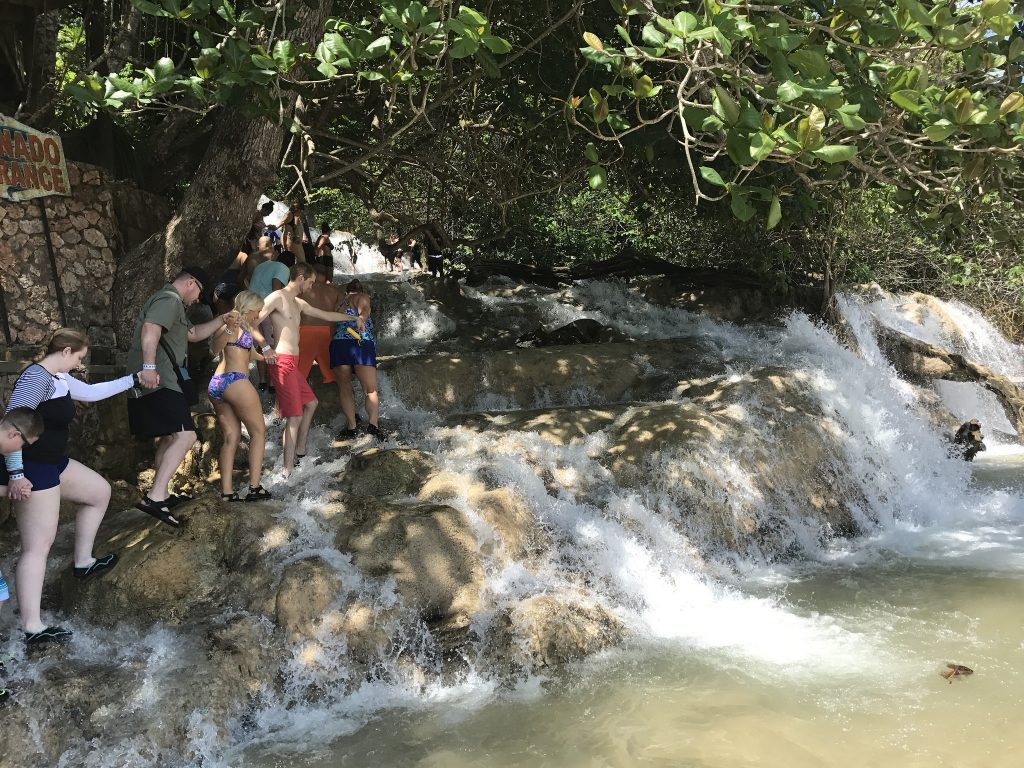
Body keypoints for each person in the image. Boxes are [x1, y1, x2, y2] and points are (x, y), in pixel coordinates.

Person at [3, 330, 146, 645]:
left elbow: (93, 392)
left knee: (98, 492)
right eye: (79, 357)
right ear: (66, 351)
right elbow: (11, 425)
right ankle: (31, 626)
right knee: (38, 546)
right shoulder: (35, 379)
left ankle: (83, 562)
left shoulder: (59, 378)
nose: (80, 364)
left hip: (53, 462)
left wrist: (134, 380)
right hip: (31, 469)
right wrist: (15, 474)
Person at [128, 267, 245, 526]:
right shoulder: (169, 299)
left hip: (162, 379)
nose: (198, 300)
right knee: (186, 435)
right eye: (200, 293)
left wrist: (224, 319)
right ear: (191, 283)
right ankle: (155, 497)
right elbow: (151, 328)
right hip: (160, 379)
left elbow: (193, 335)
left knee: (172, 435)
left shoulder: (175, 305)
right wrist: (149, 367)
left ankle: (162, 492)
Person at [256, 263, 352, 474]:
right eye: (310, 282)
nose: (311, 286)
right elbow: (251, 321)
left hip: (292, 362)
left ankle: (300, 451)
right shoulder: (276, 297)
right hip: (281, 360)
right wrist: (264, 347)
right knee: (295, 415)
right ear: (301, 278)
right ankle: (287, 470)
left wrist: (354, 318)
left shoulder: (297, 303)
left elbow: (326, 315)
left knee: (311, 403)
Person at [208, 291, 272, 502]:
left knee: (231, 437)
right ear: (250, 308)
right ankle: (254, 487)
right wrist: (228, 327)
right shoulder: (232, 324)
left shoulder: (243, 328)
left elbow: (248, 354)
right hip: (235, 381)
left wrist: (270, 357)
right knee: (258, 433)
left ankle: (227, 492)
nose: (259, 314)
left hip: (218, 384)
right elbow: (215, 347)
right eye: (258, 310)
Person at [331, 279, 386, 441]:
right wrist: (361, 318)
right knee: (370, 389)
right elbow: (365, 310)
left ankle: (352, 427)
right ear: (360, 290)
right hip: (360, 343)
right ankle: (373, 426)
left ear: (347, 291)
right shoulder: (362, 296)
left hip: (339, 344)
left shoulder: (339, 303)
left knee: (345, 388)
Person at [298, 263, 341, 387]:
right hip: (327, 334)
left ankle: (284, 406)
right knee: (333, 376)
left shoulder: (303, 290)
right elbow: (341, 311)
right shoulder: (334, 290)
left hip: (305, 332)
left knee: (297, 375)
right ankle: (333, 400)